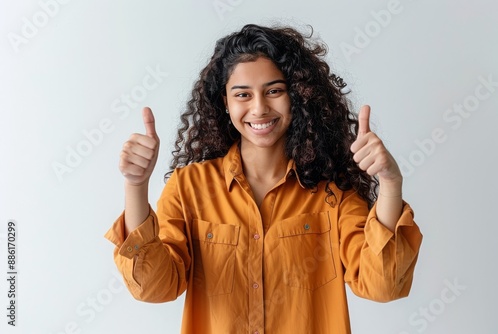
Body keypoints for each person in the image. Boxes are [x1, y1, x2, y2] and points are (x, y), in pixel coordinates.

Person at [105, 24, 423, 334]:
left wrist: (391, 183)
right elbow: (153, 288)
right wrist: (136, 185)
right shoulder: (190, 187)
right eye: (243, 94)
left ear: (297, 95)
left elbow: (383, 285)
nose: (259, 108)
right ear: (225, 104)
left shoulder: (332, 192)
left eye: (274, 91)